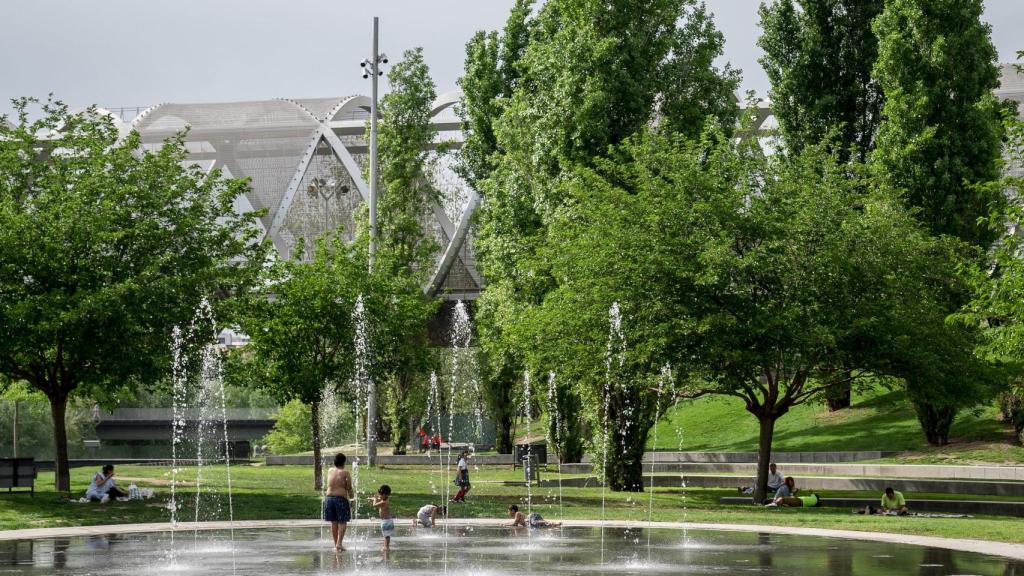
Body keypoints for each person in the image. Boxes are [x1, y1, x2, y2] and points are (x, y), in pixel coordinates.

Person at [323, 453, 353, 550]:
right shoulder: (345, 473)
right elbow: (349, 488)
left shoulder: (330, 470)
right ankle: (339, 543)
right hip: (340, 499)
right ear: (344, 462)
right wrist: (352, 499)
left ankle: (336, 544)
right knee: (342, 521)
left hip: (329, 499)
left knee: (334, 522)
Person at [369, 484, 394, 551]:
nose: (379, 496)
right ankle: (386, 546)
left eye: (380, 494)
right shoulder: (385, 499)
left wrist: (374, 499)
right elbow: (379, 499)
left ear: (384, 495)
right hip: (387, 520)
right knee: (386, 535)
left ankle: (387, 547)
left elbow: (374, 505)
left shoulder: (384, 502)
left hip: (386, 521)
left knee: (386, 536)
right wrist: (373, 498)